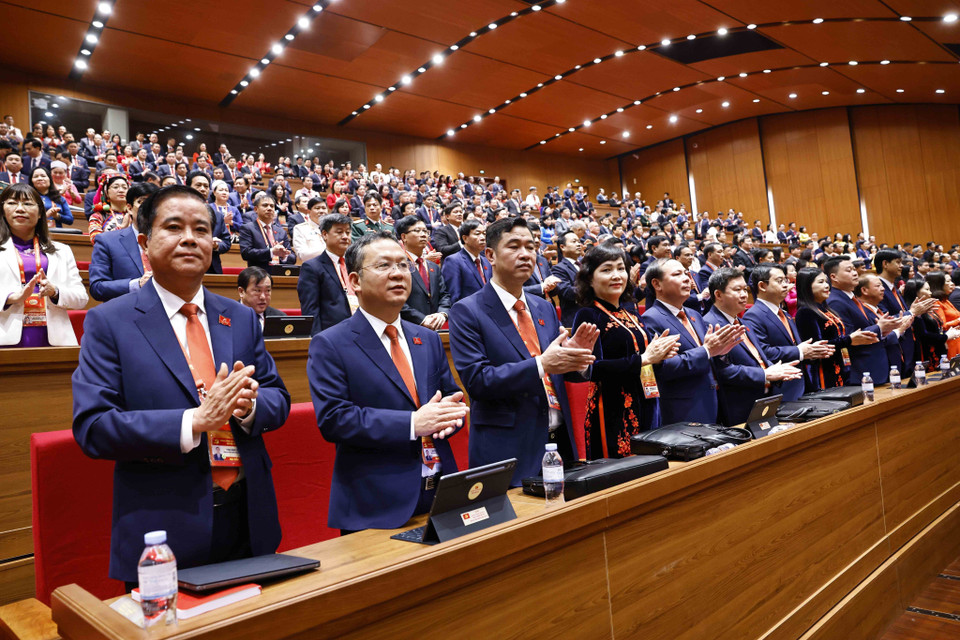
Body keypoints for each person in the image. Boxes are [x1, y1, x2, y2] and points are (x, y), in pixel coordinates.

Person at [72, 185, 291, 586]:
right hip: (163, 525)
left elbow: (278, 396)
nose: (190, 238)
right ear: (144, 242)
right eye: (174, 227)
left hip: (246, 515)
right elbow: (94, 427)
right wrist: (194, 421)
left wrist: (248, 407)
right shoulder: (109, 322)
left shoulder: (239, 318)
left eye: (202, 229)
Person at [308, 232, 467, 532]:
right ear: (354, 281)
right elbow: (334, 419)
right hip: (376, 503)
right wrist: (412, 424)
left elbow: (451, 396)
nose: (397, 274)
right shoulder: (330, 343)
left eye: (403, 265)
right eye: (383, 266)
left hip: (439, 490)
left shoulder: (427, 339)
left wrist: (451, 417)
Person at [449, 217, 599, 485]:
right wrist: (543, 363)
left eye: (531, 247)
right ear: (490, 255)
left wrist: (576, 360)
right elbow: (478, 381)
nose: (526, 254)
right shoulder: (467, 310)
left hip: (558, 440)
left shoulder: (542, 306)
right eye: (515, 246)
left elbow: (560, 372)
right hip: (507, 447)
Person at [572, 244, 680, 458]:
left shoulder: (630, 313)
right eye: (606, 270)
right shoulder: (588, 315)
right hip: (611, 408)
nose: (616, 276)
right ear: (589, 279)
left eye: (621, 269)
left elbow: (644, 358)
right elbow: (592, 369)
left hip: (645, 400)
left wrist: (659, 356)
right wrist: (644, 358)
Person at [641, 259, 744, 424]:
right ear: (657, 284)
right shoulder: (650, 319)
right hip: (682, 409)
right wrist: (708, 351)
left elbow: (707, 355)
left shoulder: (693, 314)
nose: (686, 278)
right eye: (677, 274)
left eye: (686, 273)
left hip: (711, 400)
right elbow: (664, 368)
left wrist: (720, 353)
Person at [706, 267, 802, 426]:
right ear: (718, 294)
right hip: (738, 406)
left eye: (745, 289)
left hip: (763, 401)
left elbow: (759, 358)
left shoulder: (741, 321)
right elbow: (722, 371)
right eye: (737, 290)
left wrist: (777, 370)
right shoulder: (710, 324)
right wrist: (765, 374)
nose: (744, 295)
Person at [0, 184, 88, 347]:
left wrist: (55, 292)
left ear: (41, 212)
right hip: (4, 337)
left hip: (55, 340)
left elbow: (81, 298)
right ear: (3, 211)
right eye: (12, 203)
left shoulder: (62, 251)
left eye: (27, 203)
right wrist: (11, 298)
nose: (20, 209)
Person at [741, 264, 834, 401]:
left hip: (802, 385)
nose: (786, 285)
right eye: (779, 281)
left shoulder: (785, 314)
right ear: (762, 286)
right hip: (781, 389)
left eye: (786, 280)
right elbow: (764, 352)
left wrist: (812, 350)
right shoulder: (753, 315)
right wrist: (800, 352)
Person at [794, 267, 877, 391]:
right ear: (807, 286)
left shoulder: (825, 308)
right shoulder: (806, 312)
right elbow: (819, 346)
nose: (827, 285)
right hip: (823, 372)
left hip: (840, 364)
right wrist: (849, 340)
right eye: (821, 282)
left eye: (827, 282)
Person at [824, 256, 904, 384]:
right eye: (849, 270)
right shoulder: (835, 301)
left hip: (873, 367)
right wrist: (880, 327)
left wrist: (885, 328)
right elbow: (848, 337)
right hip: (860, 370)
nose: (855, 273)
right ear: (834, 277)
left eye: (854, 269)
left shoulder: (850, 298)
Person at [88, 182, 159, 301]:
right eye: (141, 202)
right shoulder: (107, 241)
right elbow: (97, 287)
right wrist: (137, 284)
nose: (148, 208)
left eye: (153, 203)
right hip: (128, 313)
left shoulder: (172, 240)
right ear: (130, 209)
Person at [297, 213, 354, 335]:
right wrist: (317, 339)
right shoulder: (312, 267)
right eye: (339, 232)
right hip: (331, 333)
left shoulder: (355, 265)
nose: (345, 236)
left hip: (358, 329)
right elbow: (310, 309)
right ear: (324, 234)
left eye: (348, 232)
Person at [396, 215, 450, 330]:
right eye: (417, 231)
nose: (423, 234)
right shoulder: (397, 265)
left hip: (435, 328)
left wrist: (442, 313)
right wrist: (421, 319)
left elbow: (444, 295)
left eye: (425, 231)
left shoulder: (433, 266)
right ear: (404, 237)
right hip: (408, 327)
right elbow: (395, 299)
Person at [902, 278, 956, 366]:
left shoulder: (927, 308)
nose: (930, 293)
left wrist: (948, 333)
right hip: (925, 356)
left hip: (938, 352)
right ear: (916, 292)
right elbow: (923, 335)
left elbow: (936, 329)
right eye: (927, 290)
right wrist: (946, 337)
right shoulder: (911, 313)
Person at [186, 171, 230, 275]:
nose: (202, 189)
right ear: (188, 187)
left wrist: (216, 246)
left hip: (211, 269)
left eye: (206, 186)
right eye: (198, 185)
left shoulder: (217, 215)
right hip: (185, 265)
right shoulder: (177, 211)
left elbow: (226, 242)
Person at [441, 219, 490, 303]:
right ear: (465, 238)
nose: (482, 238)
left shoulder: (486, 261)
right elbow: (454, 296)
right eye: (477, 234)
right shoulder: (453, 261)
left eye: (484, 234)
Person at [238, 195, 295, 268]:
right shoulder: (247, 228)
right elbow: (246, 253)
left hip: (278, 273)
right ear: (256, 209)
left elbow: (292, 257)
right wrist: (271, 252)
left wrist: (284, 256)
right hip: (258, 273)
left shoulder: (281, 231)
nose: (269, 208)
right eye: (265, 205)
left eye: (272, 206)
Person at [87, 173, 130, 243]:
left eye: (125, 188)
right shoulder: (97, 216)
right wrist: (121, 228)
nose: (121, 190)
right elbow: (96, 240)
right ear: (106, 192)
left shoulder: (135, 214)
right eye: (116, 187)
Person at [552, 231, 583, 327]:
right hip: (575, 318)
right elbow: (566, 292)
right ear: (562, 247)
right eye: (574, 241)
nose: (578, 244)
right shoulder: (559, 268)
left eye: (578, 241)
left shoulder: (586, 265)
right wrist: (593, 288)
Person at [926, 271, 960, 359]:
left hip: (956, 339)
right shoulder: (936, 302)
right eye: (948, 281)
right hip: (949, 342)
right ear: (939, 284)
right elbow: (942, 326)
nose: (952, 284)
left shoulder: (945, 300)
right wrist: (958, 320)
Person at [291, 197, 327, 263]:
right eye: (317, 208)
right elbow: (302, 254)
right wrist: (328, 251)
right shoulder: (300, 228)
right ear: (309, 211)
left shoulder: (332, 229)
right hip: (312, 268)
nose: (321, 211)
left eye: (324, 208)